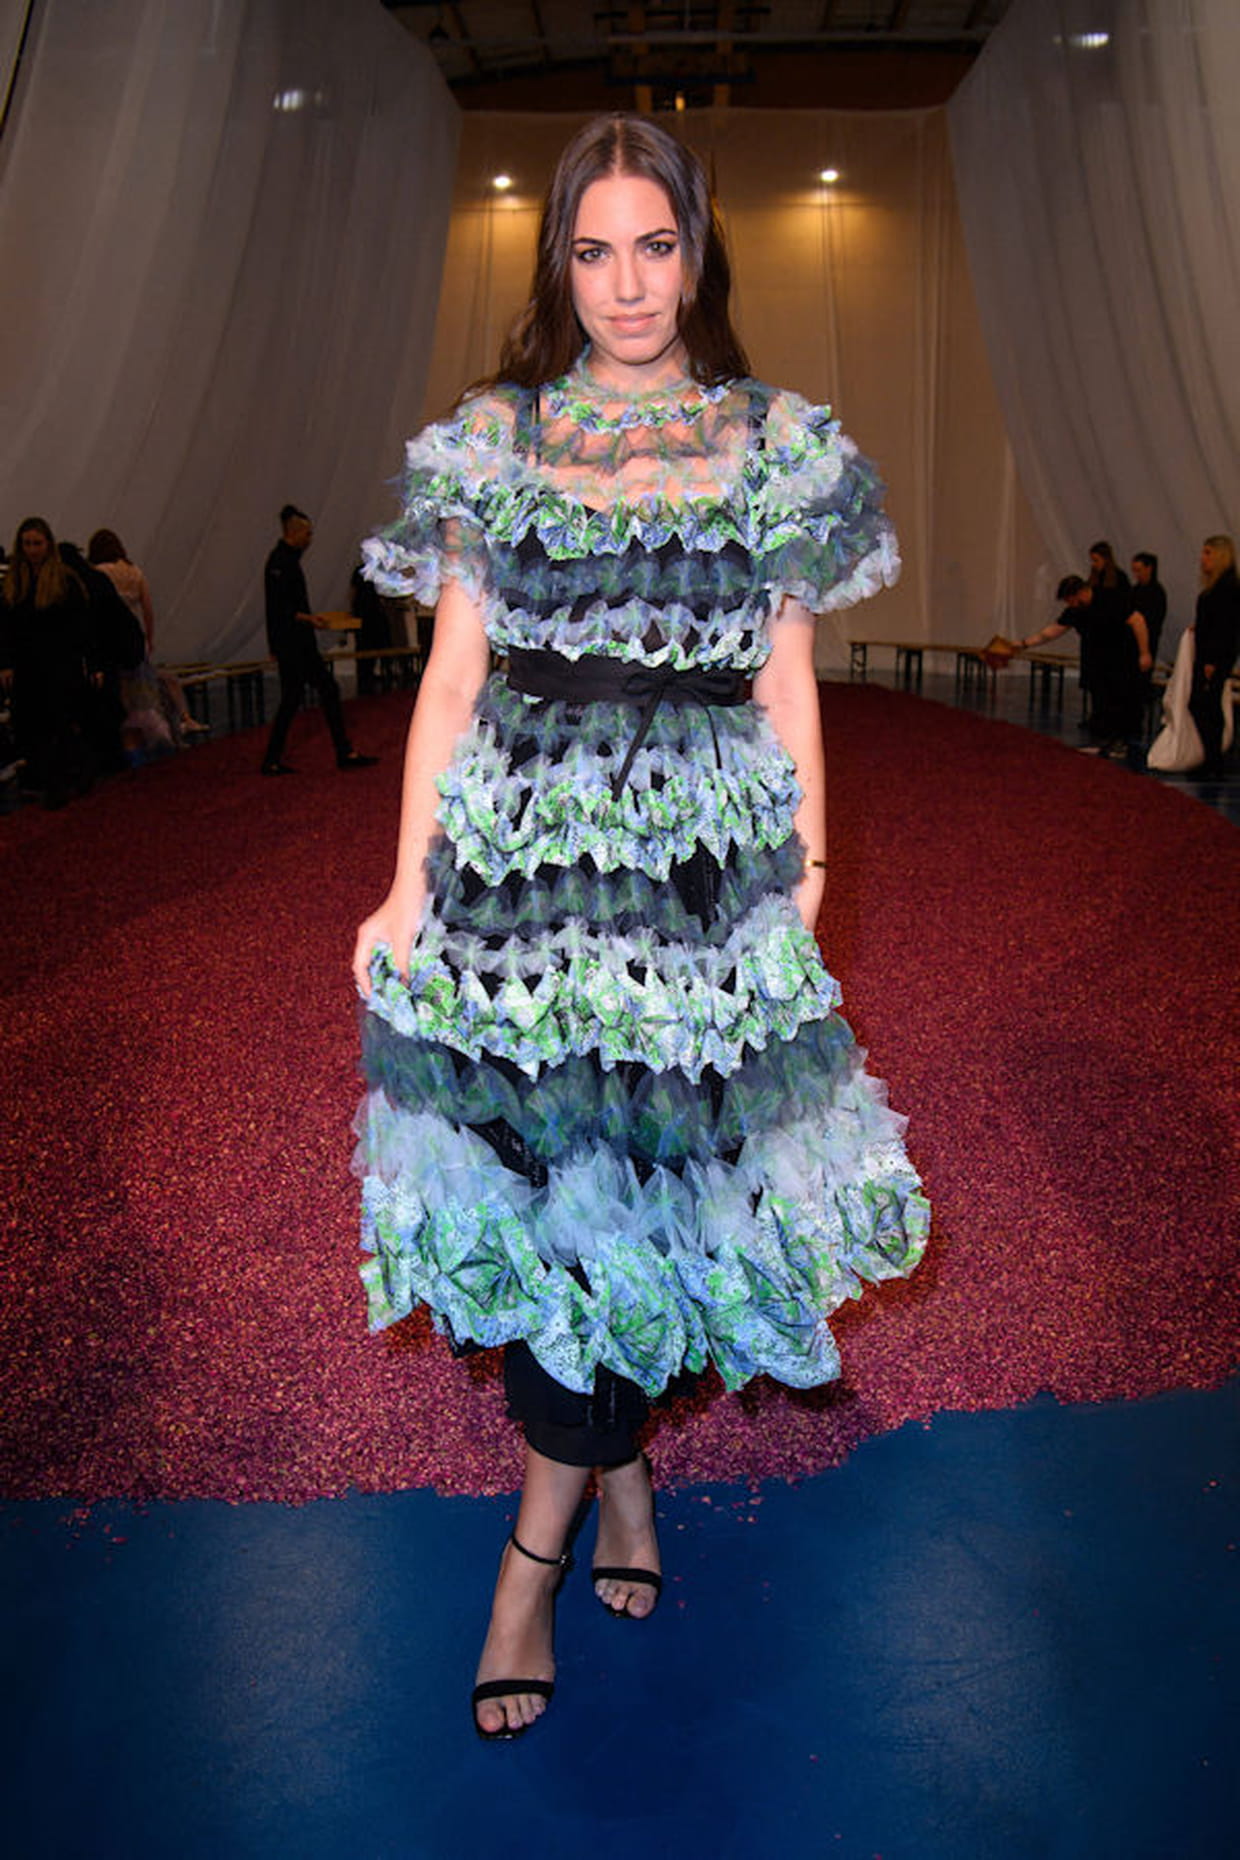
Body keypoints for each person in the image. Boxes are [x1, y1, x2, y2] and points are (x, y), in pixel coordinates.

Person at [351, 113, 929, 1742]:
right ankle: (564, 1534)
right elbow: (451, 684)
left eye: (655, 246)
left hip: (696, 883)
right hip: (524, 879)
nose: (626, 285)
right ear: (560, 262)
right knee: (556, 1206)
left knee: (670, 1199)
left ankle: (583, 1508)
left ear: (697, 251)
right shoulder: (498, 440)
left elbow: (787, 682)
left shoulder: (774, 447)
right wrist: (406, 885)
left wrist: (806, 879)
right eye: (594, 250)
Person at [259, 505, 377, 775]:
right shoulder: (280, 562)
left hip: (295, 641)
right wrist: (311, 620)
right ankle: (342, 752)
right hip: (293, 644)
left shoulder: (286, 560)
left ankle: (275, 758)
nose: (310, 539)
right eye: (308, 534)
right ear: (294, 532)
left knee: (298, 697)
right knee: (321, 691)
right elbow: (279, 609)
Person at [1, 516, 93, 806]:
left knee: (58, 724)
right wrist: (6, 663)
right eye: (27, 544)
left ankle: (60, 782)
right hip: (26, 666)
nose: (32, 550)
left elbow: (79, 625)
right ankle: (51, 777)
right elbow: (5, 627)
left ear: (48, 544)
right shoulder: (14, 582)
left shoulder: (64, 580)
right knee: (31, 725)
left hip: (58, 665)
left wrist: (83, 660)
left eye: (37, 543)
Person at [87, 528, 208, 747]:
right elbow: (148, 609)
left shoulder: (98, 573)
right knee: (146, 691)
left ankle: (128, 739)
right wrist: (149, 639)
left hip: (112, 638)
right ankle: (172, 726)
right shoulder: (134, 571)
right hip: (136, 638)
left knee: (123, 693)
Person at [1016, 573, 1143, 754]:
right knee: (1101, 701)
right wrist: (1023, 644)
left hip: (1120, 659)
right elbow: (1052, 631)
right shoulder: (1076, 610)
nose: (1070, 605)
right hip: (1096, 661)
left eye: (1071, 600)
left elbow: (1137, 620)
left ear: (1081, 592)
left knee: (1120, 701)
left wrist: (1144, 653)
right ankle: (1106, 740)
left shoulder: (1110, 598)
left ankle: (1123, 740)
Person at [1188, 534, 1240, 778]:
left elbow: (1226, 628)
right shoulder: (1217, 587)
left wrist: (1213, 660)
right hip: (1210, 654)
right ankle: (1211, 759)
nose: (1203, 558)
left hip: (1215, 657)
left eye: (1208, 553)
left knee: (1206, 706)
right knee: (1203, 705)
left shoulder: (1228, 588)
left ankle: (1214, 761)